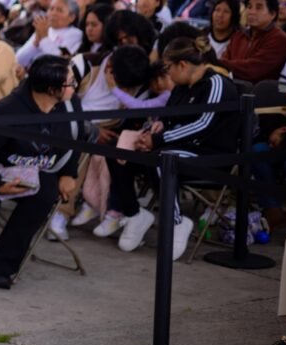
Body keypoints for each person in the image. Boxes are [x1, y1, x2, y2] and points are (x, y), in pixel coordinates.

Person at [102, 38, 238, 260]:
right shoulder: (181, 88)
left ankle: (175, 223)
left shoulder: (216, 84)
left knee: (161, 158)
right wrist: (154, 131)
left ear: (182, 65)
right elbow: (169, 119)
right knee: (116, 150)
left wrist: (158, 140)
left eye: (167, 68)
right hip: (176, 147)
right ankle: (134, 213)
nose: (166, 74)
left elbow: (202, 124)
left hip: (210, 155)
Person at [0, 55, 81, 289]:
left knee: (44, 197)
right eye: (70, 83)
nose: (75, 87)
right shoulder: (8, 110)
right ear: (51, 89)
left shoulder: (70, 103)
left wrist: (69, 173)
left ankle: (1, 267)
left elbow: (77, 140)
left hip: (35, 166)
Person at [222, 0, 286, 83]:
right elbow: (224, 61)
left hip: (263, 96)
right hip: (232, 88)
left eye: (258, 8)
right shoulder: (238, 35)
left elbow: (251, 70)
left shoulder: (279, 39)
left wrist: (217, 62)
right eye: (249, 6)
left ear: (272, 14)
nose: (252, 12)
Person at [15, 0, 82, 68]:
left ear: (71, 17)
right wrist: (35, 43)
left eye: (59, 10)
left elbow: (58, 62)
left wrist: (44, 37)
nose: (53, 13)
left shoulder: (75, 34)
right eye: (51, 9)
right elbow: (19, 59)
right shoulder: (45, 29)